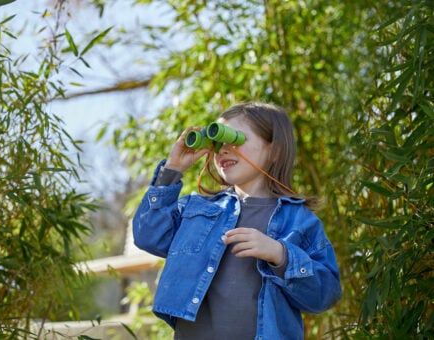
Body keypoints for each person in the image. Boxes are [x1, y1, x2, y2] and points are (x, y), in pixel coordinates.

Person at [132, 102, 341, 339]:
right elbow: (148, 236)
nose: (223, 150)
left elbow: (325, 295)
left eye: (235, 139)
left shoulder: (299, 221)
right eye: (218, 142)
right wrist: (171, 171)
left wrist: (280, 254)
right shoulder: (196, 210)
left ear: (275, 151)